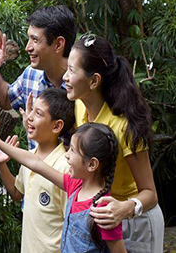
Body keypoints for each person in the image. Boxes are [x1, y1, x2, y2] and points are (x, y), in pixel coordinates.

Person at [63, 34, 164, 252]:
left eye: (72, 70)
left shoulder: (123, 127)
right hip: (106, 218)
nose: (65, 76)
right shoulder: (80, 106)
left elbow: (150, 193)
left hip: (136, 220)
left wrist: (125, 208)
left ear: (94, 80)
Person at [0, 111, 127, 253]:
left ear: (92, 164)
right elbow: (35, 163)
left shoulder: (104, 210)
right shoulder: (75, 186)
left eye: (72, 151)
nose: (67, 155)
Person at [0, 88, 75, 252]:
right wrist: (1, 165)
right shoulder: (29, 157)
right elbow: (17, 194)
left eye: (38, 114)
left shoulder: (64, 167)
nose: (29, 117)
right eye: (31, 111)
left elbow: (72, 225)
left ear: (57, 126)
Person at [0, 5, 76, 149]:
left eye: (35, 40)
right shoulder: (31, 74)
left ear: (58, 44)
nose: (27, 47)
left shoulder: (84, 84)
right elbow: (5, 99)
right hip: (34, 170)